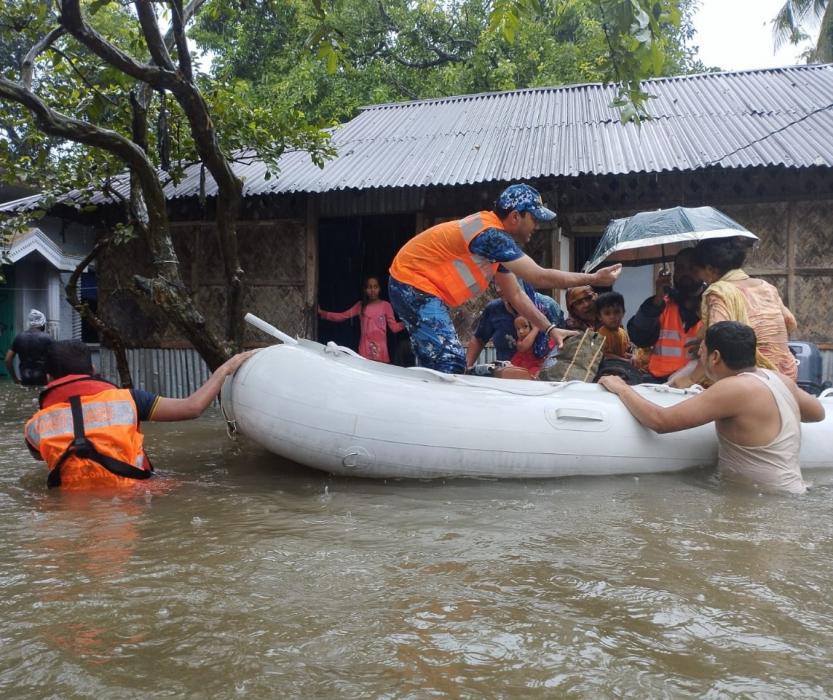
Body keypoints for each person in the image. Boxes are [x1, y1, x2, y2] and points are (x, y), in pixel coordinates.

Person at [389, 183, 622, 373]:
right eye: (534, 218)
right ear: (515, 217)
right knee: (450, 361)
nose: (537, 225)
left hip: (414, 285)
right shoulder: (491, 235)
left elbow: (516, 295)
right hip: (413, 284)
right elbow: (539, 277)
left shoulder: (495, 245)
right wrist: (593, 278)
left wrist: (550, 329)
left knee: (434, 361)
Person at [599, 321, 824, 495]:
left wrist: (622, 388)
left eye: (702, 350)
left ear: (715, 357)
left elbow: (660, 422)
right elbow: (818, 413)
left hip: (763, 499)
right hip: (794, 490)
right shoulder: (777, 379)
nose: (699, 355)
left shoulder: (732, 389)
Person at [24, 340, 256, 490]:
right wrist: (225, 369)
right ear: (93, 372)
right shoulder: (129, 400)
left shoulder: (35, 427)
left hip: (67, 509)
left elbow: (39, 457)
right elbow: (192, 407)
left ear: (48, 380)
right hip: (134, 497)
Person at [671, 237, 797, 387]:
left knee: (675, 383)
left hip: (755, 379)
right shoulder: (767, 287)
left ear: (711, 270)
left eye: (698, 270)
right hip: (787, 374)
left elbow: (717, 343)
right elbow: (789, 322)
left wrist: (691, 380)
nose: (699, 277)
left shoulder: (719, 291)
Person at [627, 248, 704, 382]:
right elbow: (639, 337)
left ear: (704, 270)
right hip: (661, 383)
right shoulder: (661, 304)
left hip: (699, 384)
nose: (686, 272)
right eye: (680, 267)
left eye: (693, 268)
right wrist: (656, 301)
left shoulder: (713, 304)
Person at [464, 278, 564, 368]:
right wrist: (465, 370)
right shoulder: (494, 309)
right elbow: (479, 339)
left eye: (503, 283)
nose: (498, 290)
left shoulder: (547, 306)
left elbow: (562, 340)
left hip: (542, 378)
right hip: (507, 376)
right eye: (496, 284)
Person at [318, 275, 405, 363]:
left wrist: (408, 323)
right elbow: (342, 316)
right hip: (364, 352)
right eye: (369, 287)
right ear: (365, 290)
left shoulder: (386, 306)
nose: (372, 290)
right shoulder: (360, 306)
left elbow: (394, 328)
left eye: (375, 287)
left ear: (379, 288)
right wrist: (323, 313)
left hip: (381, 353)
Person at [5, 309, 53, 386]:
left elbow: (8, 360)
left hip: (25, 379)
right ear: (43, 323)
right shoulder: (47, 338)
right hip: (42, 380)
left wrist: (15, 378)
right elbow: (55, 360)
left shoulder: (19, 337)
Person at [595, 291, 631, 359]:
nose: (612, 317)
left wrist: (632, 357)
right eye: (607, 313)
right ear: (599, 316)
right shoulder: (600, 334)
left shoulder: (623, 333)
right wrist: (623, 360)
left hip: (622, 366)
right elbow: (604, 355)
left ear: (623, 313)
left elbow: (625, 352)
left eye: (616, 312)